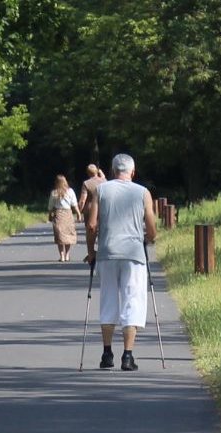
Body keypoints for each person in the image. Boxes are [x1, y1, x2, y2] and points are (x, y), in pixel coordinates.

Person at [86, 153, 157, 371]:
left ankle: (107, 354)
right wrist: (148, 238)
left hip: (107, 252)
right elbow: (151, 228)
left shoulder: (101, 190)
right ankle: (128, 356)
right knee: (132, 301)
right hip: (134, 254)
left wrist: (92, 252)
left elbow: (91, 225)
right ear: (132, 172)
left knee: (108, 301)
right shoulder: (143, 192)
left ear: (113, 169)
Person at [47, 174, 81, 261]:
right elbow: (74, 204)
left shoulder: (54, 192)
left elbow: (50, 206)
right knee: (68, 234)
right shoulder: (70, 191)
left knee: (60, 235)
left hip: (58, 214)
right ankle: (67, 255)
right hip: (68, 214)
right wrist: (78, 214)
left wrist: (50, 215)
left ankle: (62, 255)